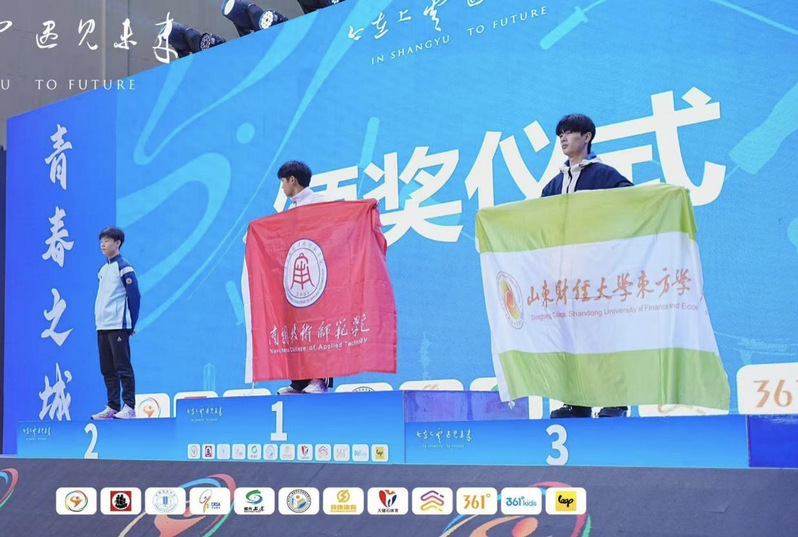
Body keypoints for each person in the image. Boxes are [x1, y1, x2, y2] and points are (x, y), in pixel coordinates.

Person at [541, 114, 633, 419]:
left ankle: (615, 401)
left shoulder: (604, 176)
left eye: (569, 133)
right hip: (564, 278)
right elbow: (538, 223)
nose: (563, 139)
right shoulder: (554, 184)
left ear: (587, 136)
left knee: (604, 335)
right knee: (569, 338)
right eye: (560, 135)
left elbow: (634, 204)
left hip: (598, 274)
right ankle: (576, 402)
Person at [242, 160, 331, 394]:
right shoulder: (290, 211)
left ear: (292, 180)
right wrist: (256, 235)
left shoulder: (320, 203)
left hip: (316, 276)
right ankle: (299, 382)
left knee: (316, 328)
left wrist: (367, 208)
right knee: (296, 330)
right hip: (295, 282)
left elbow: (342, 218)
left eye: (282, 181)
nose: (281, 187)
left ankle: (319, 380)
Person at [91, 227, 141, 419]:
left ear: (117, 243)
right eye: (101, 241)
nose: (103, 244)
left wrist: (131, 324)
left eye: (107, 241)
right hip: (102, 326)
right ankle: (113, 405)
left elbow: (135, 297)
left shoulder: (124, 267)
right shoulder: (103, 270)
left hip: (118, 326)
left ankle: (129, 406)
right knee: (107, 369)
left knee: (123, 367)